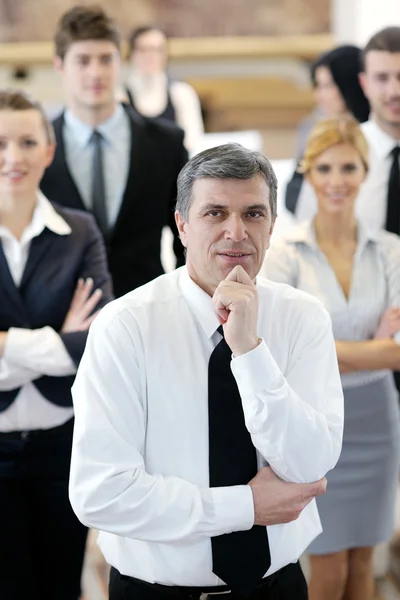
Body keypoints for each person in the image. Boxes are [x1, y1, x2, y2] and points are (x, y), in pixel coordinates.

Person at [69, 143, 344, 600]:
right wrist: (246, 507)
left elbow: (311, 463)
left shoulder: (303, 317)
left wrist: (250, 352)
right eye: (215, 213)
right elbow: (101, 492)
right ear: (182, 225)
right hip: (154, 591)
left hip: (277, 587)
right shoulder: (124, 327)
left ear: (272, 227)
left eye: (253, 214)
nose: (236, 232)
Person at [263, 117, 400, 600]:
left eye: (348, 167)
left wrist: (326, 351)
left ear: (366, 172)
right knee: (328, 569)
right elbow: (280, 350)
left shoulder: (390, 251)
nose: (337, 180)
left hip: (378, 421)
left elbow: (398, 354)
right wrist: (375, 350)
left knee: (365, 561)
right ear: (309, 173)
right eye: (324, 168)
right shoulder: (285, 253)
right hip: (314, 421)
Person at [0, 90, 113, 600]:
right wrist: (58, 341)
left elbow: (93, 343)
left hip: (63, 447)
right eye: (1, 143)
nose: (13, 157)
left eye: (27, 141)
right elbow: (70, 344)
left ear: (49, 150)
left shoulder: (79, 232)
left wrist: (6, 344)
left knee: (61, 584)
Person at [40, 5, 188, 298]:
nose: (96, 73)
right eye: (82, 61)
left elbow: (187, 237)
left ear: (120, 61)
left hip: (150, 307)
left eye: (106, 59)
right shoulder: (38, 148)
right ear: (60, 65)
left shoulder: (166, 143)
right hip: (65, 317)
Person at [286, 44, 369, 214]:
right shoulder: (313, 129)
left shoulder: (375, 136)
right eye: (318, 86)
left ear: (350, 85)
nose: (320, 96)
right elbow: (293, 193)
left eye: (328, 86)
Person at [122, 26, 204, 154]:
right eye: (143, 50)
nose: (150, 56)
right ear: (132, 54)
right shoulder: (120, 95)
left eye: (157, 50)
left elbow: (192, 142)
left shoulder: (181, 93)